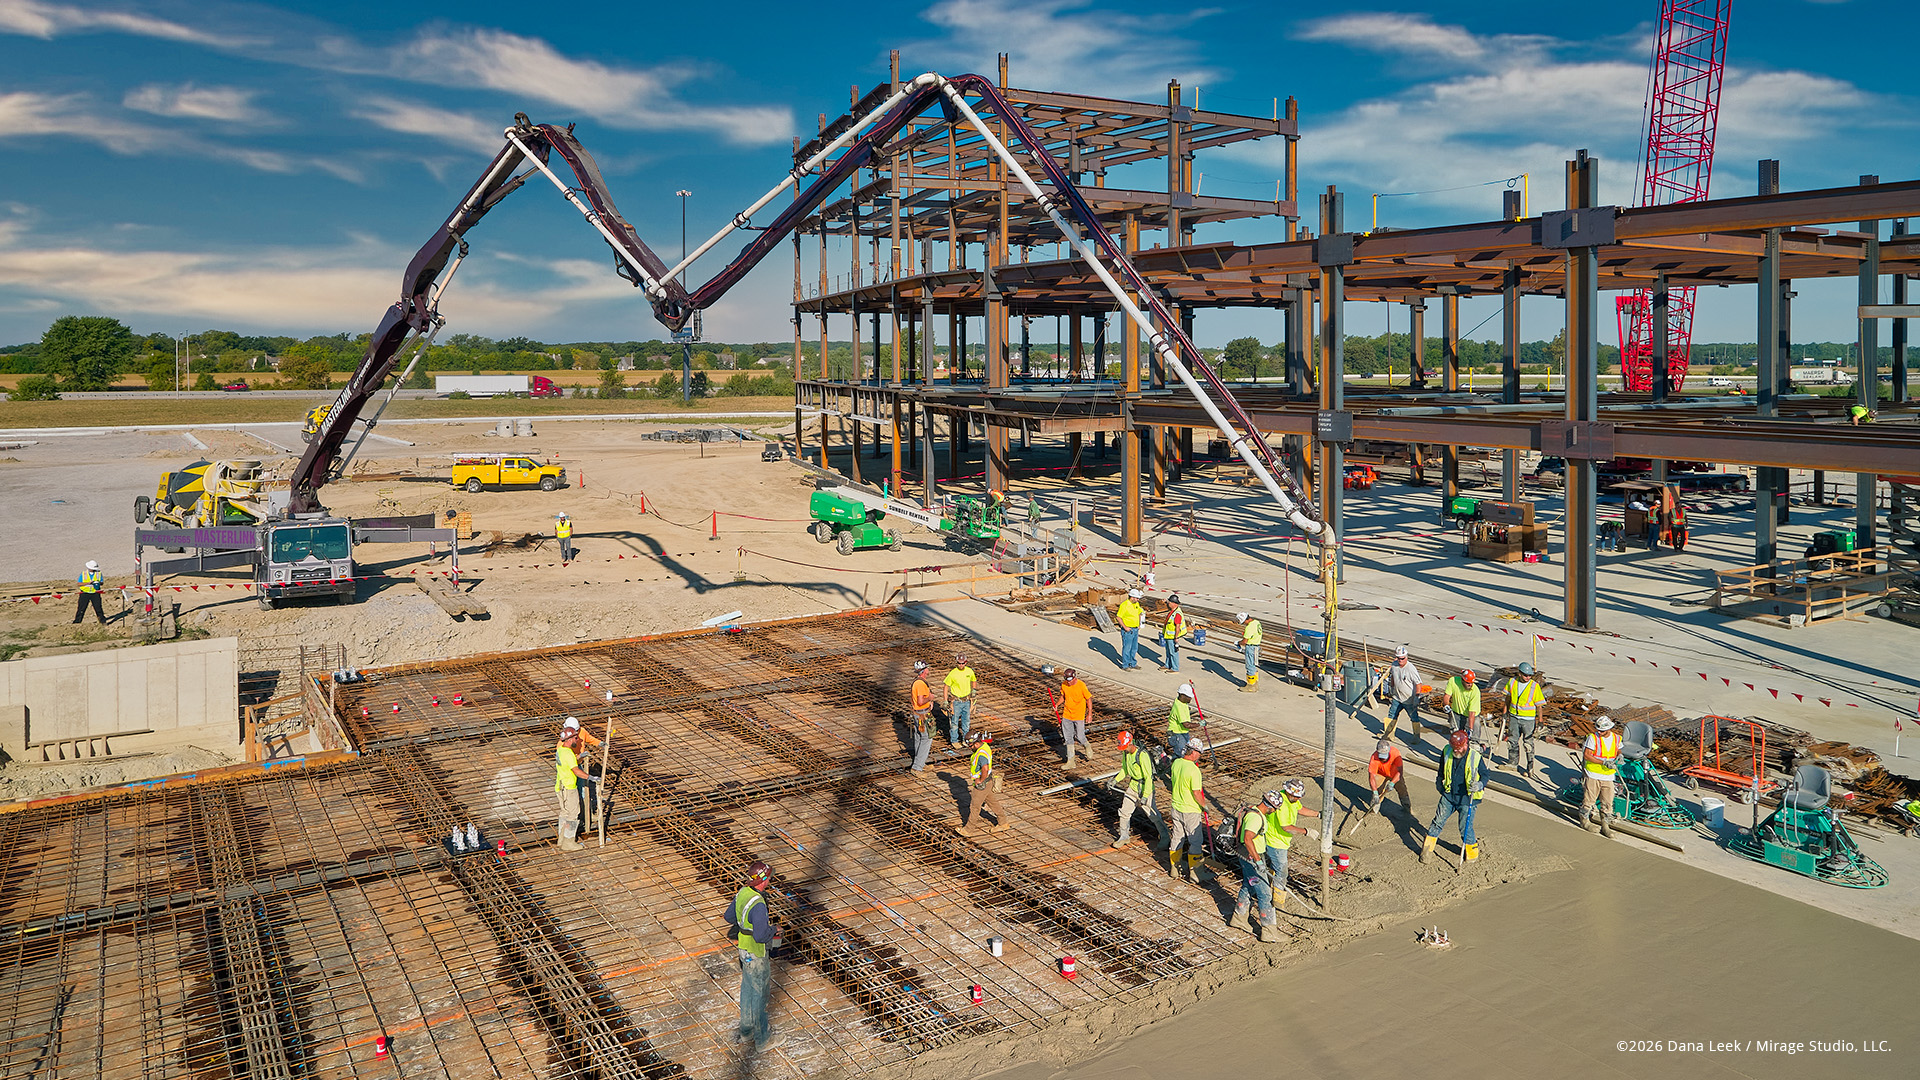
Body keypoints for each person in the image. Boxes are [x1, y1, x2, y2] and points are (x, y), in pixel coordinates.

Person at [722, 860, 777, 1048]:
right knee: (760, 993)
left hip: (743, 949)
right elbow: (761, 936)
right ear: (764, 880)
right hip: (756, 952)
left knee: (747, 988)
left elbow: (728, 917)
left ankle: (746, 1031)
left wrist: (744, 922)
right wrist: (774, 930)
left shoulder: (743, 893)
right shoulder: (759, 905)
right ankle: (763, 1039)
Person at [1422, 729, 1486, 864]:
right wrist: (1439, 784)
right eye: (1454, 748)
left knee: (1465, 827)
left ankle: (1472, 854)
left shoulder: (1475, 756)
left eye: (1458, 748)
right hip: (1449, 796)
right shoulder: (1447, 751)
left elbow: (1486, 775)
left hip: (1467, 798)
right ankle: (1426, 851)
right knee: (1437, 822)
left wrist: (1480, 784)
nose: (1456, 751)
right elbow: (1441, 770)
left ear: (1465, 744)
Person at [1261, 780, 1317, 905]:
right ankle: (1278, 901)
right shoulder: (1282, 804)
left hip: (1282, 841)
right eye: (1296, 796)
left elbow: (1300, 808)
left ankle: (1266, 886)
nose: (1298, 799)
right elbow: (1286, 827)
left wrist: (1317, 814)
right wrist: (1305, 831)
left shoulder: (1293, 800)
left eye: (1299, 797)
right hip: (1275, 842)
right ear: (1288, 791)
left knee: (1272, 867)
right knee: (1281, 871)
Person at [1230, 799, 1277, 938]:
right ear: (1270, 806)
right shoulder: (1255, 818)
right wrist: (1258, 861)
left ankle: (1239, 918)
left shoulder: (1254, 812)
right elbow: (1248, 838)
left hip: (1250, 856)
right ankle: (1269, 932)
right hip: (1251, 858)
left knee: (1249, 884)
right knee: (1265, 893)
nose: (1275, 811)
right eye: (1275, 808)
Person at [1110, 731, 1165, 848]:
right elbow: (1125, 770)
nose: (1124, 750)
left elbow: (1148, 777)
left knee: (1152, 814)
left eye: (1125, 747)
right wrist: (1115, 780)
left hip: (1145, 787)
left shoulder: (1142, 755)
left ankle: (1165, 836)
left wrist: (1145, 796)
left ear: (1130, 743)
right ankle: (1124, 836)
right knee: (1124, 812)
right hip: (1133, 786)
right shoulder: (1126, 754)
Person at [1167, 743, 1212, 883]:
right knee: (1195, 841)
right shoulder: (1193, 770)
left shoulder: (1176, 763)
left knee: (1177, 837)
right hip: (1190, 810)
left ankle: (1175, 868)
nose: (1200, 756)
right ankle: (1196, 873)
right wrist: (1205, 806)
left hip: (1176, 807)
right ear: (1194, 752)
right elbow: (1196, 792)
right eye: (1199, 753)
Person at [957, 733, 1009, 836]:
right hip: (989, 782)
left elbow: (985, 768)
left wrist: (980, 780)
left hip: (982, 784)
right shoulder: (985, 746)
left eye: (970, 746)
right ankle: (1003, 823)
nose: (970, 748)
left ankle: (968, 830)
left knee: (974, 807)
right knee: (993, 803)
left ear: (976, 744)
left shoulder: (980, 755)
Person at [1581, 715, 1623, 838]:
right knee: (1589, 800)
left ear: (1609, 729)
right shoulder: (1593, 738)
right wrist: (1603, 762)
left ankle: (1605, 826)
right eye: (1598, 730)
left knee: (1607, 802)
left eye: (1602, 731)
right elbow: (1587, 755)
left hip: (1608, 775)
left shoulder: (1616, 738)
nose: (1600, 732)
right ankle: (1584, 821)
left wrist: (1620, 755)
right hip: (1593, 773)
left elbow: (1618, 749)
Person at [1501, 663, 1546, 775]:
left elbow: (1539, 705)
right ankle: (1512, 763)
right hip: (1514, 717)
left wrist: (1540, 721)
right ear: (1520, 674)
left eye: (1529, 675)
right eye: (1526, 675)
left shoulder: (1534, 686)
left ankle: (1530, 768)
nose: (1528, 677)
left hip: (1528, 720)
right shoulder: (1512, 682)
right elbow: (1507, 698)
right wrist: (1505, 713)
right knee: (1512, 741)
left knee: (1528, 744)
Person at [562, 716, 604, 832]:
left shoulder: (582, 732)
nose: (577, 738)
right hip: (568, 774)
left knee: (584, 793)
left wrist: (600, 743)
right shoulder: (563, 749)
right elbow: (573, 768)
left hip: (578, 765)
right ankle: (573, 828)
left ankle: (587, 815)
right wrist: (590, 777)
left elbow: (589, 738)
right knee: (573, 801)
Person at [1375, 646, 1424, 744]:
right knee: (1392, 715)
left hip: (1408, 699)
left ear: (1406, 657)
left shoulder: (1411, 669)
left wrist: (1416, 697)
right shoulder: (1394, 665)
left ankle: (1416, 737)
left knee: (1413, 717)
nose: (1400, 660)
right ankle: (1388, 735)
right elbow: (1393, 676)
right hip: (1397, 697)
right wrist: (1392, 688)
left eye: (1402, 658)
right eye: (1398, 658)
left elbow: (1418, 683)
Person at [554, 725, 590, 851]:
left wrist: (580, 757)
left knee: (564, 812)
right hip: (569, 788)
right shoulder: (568, 753)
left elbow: (569, 761)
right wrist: (589, 777)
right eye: (575, 737)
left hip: (560, 787)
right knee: (573, 813)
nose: (577, 740)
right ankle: (568, 842)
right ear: (569, 739)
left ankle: (561, 839)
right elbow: (575, 770)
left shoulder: (560, 750)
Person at [1366, 739, 1413, 817]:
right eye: (1381, 757)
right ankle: (1373, 810)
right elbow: (1372, 777)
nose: (1383, 759)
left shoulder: (1395, 753)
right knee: (1378, 790)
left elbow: (1399, 772)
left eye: (1385, 756)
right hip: (1381, 773)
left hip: (1394, 774)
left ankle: (1407, 808)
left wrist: (1392, 783)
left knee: (1402, 789)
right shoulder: (1374, 757)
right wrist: (1375, 792)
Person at [1057, 669, 1094, 766]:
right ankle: (1071, 761)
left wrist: (1089, 714)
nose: (1068, 681)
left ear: (1074, 677)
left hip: (1078, 715)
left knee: (1080, 736)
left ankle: (1087, 746)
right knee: (1068, 738)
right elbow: (1063, 697)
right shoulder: (1064, 684)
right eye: (1066, 679)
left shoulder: (1081, 685)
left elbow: (1088, 699)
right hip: (1067, 715)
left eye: (1070, 679)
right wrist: (1057, 704)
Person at [943, 655, 978, 745]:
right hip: (956, 702)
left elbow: (974, 680)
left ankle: (965, 740)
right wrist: (945, 700)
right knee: (954, 723)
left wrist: (974, 690)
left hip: (966, 701)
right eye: (959, 663)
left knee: (966, 722)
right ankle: (954, 741)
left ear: (966, 662)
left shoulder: (969, 671)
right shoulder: (953, 673)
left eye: (963, 663)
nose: (961, 665)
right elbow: (946, 686)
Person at [908, 661, 935, 773]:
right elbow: (920, 701)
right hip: (922, 714)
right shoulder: (920, 684)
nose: (929, 669)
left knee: (919, 737)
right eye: (927, 668)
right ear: (924, 670)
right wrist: (930, 698)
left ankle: (920, 762)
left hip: (918, 713)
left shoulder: (918, 682)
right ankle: (917, 767)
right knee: (926, 738)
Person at [1444, 668, 1482, 743]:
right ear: (1462, 680)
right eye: (1468, 683)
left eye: (1471, 683)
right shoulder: (1453, 681)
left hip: (1471, 716)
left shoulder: (1475, 691)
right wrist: (1446, 705)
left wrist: (1470, 729)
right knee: (1455, 735)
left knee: (1474, 731)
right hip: (1456, 713)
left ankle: (1475, 746)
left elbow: (1472, 713)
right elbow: (1447, 696)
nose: (1470, 685)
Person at [1115, 589, 1145, 670]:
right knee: (1127, 648)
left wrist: (1139, 624)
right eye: (1136, 598)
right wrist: (1125, 628)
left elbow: (1139, 613)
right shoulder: (1124, 605)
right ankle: (1125, 665)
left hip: (1135, 629)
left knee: (1134, 648)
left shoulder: (1136, 604)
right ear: (1132, 597)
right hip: (1128, 630)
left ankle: (1132, 663)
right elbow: (1118, 617)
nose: (1138, 600)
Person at [1159, 595, 1189, 672]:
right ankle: (1168, 665)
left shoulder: (1177, 614)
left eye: (1170, 602)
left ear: (1174, 604)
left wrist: (1176, 637)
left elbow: (1177, 627)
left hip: (1172, 637)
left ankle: (1175, 668)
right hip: (1168, 636)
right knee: (1168, 652)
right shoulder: (1173, 611)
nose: (1168, 604)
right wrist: (1165, 601)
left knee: (1173, 653)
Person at [1167, 683, 1197, 759]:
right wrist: (1199, 724)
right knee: (1182, 755)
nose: (1190, 699)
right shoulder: (1179, 707)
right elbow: (1186, 725)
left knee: (1187, 751)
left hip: (1182, 732)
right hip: (1176, 734)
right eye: (1189, 697)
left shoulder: (1181, 701)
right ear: (1182, 695)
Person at [72, 560, 107, 625]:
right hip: (85, 593)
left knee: (98, 608)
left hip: (95, 593)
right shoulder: (83, 574)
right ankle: (77, 622)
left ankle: (102, 621)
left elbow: (102, 582)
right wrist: (88, 583)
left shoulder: (98, 573)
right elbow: (79, 584)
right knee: (81, 608)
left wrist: (98, 583)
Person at [1236, 612, 1264, 693]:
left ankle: (1250, 686)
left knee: (1249, 666)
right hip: (1256, 646)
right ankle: (1255, 684)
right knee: (1254, 665)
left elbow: (1245, 641)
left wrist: (1238, 643)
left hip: (1251, 647)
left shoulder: (1249, 627)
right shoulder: (1257, 622)